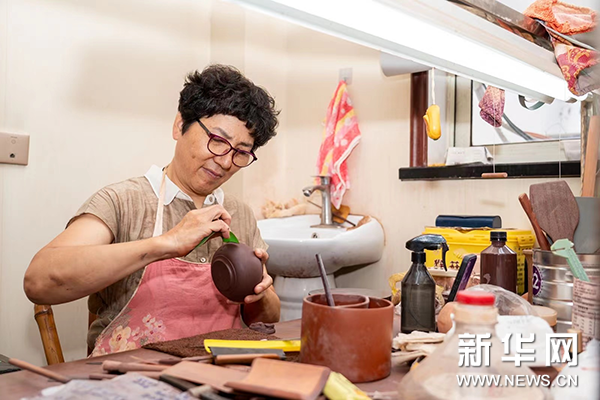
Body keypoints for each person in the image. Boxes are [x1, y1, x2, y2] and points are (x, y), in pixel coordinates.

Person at [24, 65, 281, 356]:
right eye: (218, 141)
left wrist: (259, 292)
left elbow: (269, 317)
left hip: (215, 372)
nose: (225, 162)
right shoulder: (123, 202)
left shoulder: (239, 214)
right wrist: (167, 243)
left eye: (241, 152)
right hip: (130, 375)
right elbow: (39, 281)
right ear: (179, 125)